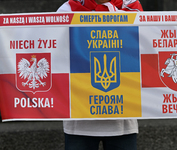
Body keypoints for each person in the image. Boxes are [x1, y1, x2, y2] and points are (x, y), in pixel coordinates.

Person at [57, 0, 143, 150]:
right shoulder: (68, 10)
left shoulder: (131, 7)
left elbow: (143, 48)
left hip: (123, 117)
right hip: (79, 120)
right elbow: (57, 54)